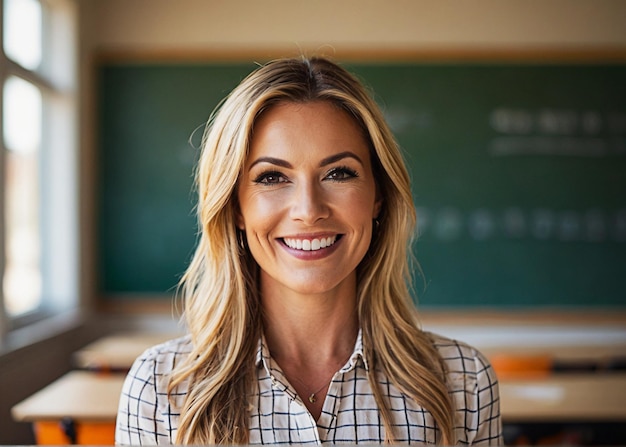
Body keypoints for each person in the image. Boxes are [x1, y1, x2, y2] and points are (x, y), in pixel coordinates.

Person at [115, 56, 502, 445]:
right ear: (235, 207)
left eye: (339, 173)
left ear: (378, 198)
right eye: (272, 177)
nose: (309, 210)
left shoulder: (463, 381)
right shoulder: (160, 389)